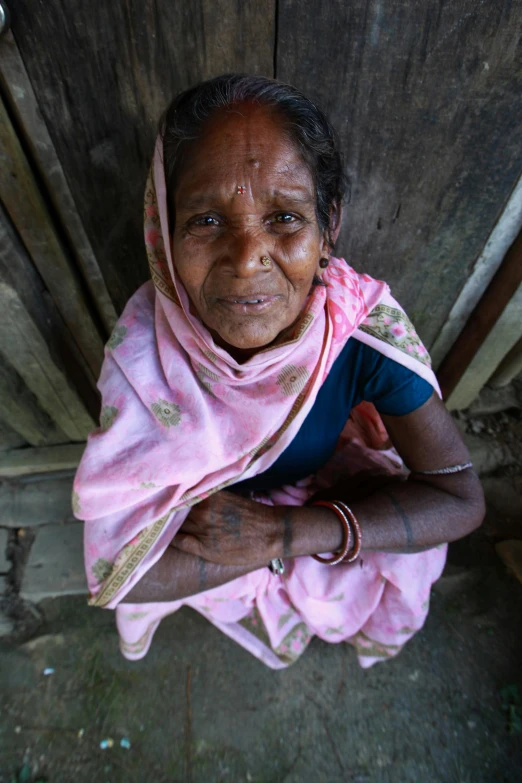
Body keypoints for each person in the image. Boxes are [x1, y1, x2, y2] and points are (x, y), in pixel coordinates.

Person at [73, 74, 484, 669]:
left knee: (412, 554)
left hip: (297, 512)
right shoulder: (144, 355)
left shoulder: (357, 328)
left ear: (329, 226)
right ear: (164, 232)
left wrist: (286, 535)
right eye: (206, 220)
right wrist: (256, 541)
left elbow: (459, 497)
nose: (246, 260)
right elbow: (124, 576)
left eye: (286, 218)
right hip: (208, 525)